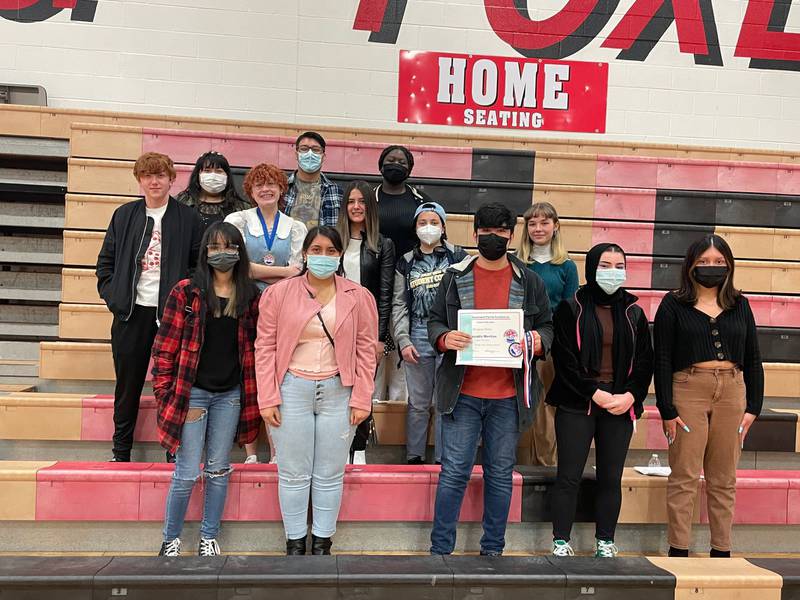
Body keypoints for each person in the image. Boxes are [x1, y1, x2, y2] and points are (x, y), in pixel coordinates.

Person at [428, 202, 553, 557]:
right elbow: (435, 321)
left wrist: (538, 341)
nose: (494, 238)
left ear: (512, 236)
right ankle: (439, 552)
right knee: (454, 473)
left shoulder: (529, 280)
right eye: (487, 233)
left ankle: (493, 551)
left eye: (501, 232)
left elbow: (547, 327)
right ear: (475, 235)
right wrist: (443, 337)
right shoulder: (455, 276)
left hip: (508, 397)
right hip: (461, 392)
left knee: (500, 475)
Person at [255, 226, 378, 556]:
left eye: (330, 251)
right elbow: (264, 346)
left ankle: (322, 543)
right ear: (305, 254)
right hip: (291, 388)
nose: (323, 256)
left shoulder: (358, 296)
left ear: (339, 256)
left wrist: (362, 396)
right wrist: (267, 396)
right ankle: (295, 543)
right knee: (293, 473)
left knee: (329, 473)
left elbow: (366, 350)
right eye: (317, 250)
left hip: (340, 389)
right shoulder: (278, 294)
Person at [152, 222, 261, 557]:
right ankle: (170, 540)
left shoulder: (250, 296)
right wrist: (166, 393)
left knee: (217, 469)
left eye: (228, 246)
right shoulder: (186, 292)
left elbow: (257, 347)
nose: (221, 253)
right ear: (204, 253)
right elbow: (164, 349)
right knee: (186, 472)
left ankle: (208, 538)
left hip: (229, 395)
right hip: (192, 393)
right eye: (214, 247)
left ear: (239, 251)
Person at [654, 234, 763, 558]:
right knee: (685, 474)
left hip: (732, 390)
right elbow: (662, 358)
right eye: (704, 262)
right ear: (690, 265)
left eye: (718, 262)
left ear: (729, 265)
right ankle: (679, 549)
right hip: (688, 388)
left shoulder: (739, 303)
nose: (711, 267)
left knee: (723, 477)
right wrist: (666, 409)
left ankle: (722, 550)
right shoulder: (673, 303)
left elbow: (753, 357)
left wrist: (754, 406)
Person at [547, 243, 654, 558]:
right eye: (605, 265)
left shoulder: (634, 312)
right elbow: (564, 359)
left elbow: (644, 362)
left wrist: (631, 395)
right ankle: (560, 541)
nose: (612, 271)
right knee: (569, 475)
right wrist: (594, 392)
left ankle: (605, 541)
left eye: (618, 265)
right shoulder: (570, 307)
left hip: (620, 404)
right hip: (578, 402)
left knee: (611, 477)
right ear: (591, 268)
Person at [96, 152, 203, 463]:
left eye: (160, 175)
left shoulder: (188, 218)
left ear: (172, 179)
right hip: (131, 314)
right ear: (139, 180)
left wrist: (185, 304)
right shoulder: (124, 215)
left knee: (171, 386)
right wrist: (114, 297)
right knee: (127, 386)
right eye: (147, 176)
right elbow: (105, 264)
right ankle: (121, 451)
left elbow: (198, 266)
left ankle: (172, 450)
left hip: (171, 316)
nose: (154, 181)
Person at [226, 163, 307, 464]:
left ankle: (277, 450)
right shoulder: (238, 220)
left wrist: (263, 271)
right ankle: (250, 451)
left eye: (271, 183)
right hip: (245, 306)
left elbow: (301, 271)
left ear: (281, 188)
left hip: (282, 309)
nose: (265, 189)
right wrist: (282, 271)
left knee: (279, 378)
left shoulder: (296, 227)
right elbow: (239, 266)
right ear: (250, 190)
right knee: (249, 378)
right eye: (259, 184)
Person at [393, 201, 466, 464]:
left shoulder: (459, 257)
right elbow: (399, 303)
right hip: (418, 335)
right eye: (422, 222)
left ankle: (444, 458)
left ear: (443, 226)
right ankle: (414, 456)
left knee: (446, 401)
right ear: (415, 227)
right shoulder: (406, 261)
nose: (428, 227)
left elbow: (469, 298)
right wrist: (402, 339)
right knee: (419, 403)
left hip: (450, 336)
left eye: (434, 222)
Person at [336, 180, 396, 465]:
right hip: (334, 324)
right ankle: (337, 446)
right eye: (351, 201)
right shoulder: (334, 240)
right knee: (337, 387)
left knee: (362, 389)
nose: (356, 207)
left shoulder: (383, 244)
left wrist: (380, 337)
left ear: (370, 208)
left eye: (362, 202)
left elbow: (385, 294)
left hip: (367, 329)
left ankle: (358, 449)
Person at [517, 202, 579, 466]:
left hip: (551, 345)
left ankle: (546, 463)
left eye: (544, 223)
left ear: (556, 226)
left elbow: (570, 310)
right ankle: (517, 464)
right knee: (520, 403)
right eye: (532, 223)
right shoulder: (516, 262)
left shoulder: (566, 266)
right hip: (517, 342)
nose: (538, 228)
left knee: (546, 408)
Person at [374, 144, 433, 403]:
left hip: (410, 281)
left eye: (402, 160)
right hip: (373, 278)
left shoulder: (420, 199)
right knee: (375, 346)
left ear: (409, 168)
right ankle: (372, 408)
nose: (395, 163)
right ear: (381, 164)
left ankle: (398, 406)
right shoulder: (369, 198)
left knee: (402, 344)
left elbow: (434, 236)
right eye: (390, 159)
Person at [176, 151, 251, 232]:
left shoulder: (242, 208)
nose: (213, 176)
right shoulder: (181, 203)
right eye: (207, 171)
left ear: (227, 176)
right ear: (197, 175)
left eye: (219, 171)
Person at [283, 131, 342, 229]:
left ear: (323, 157)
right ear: (296, 155)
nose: (310, 154)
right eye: (304, 149)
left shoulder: (335, 192)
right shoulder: (282, 188)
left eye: (315, 150)